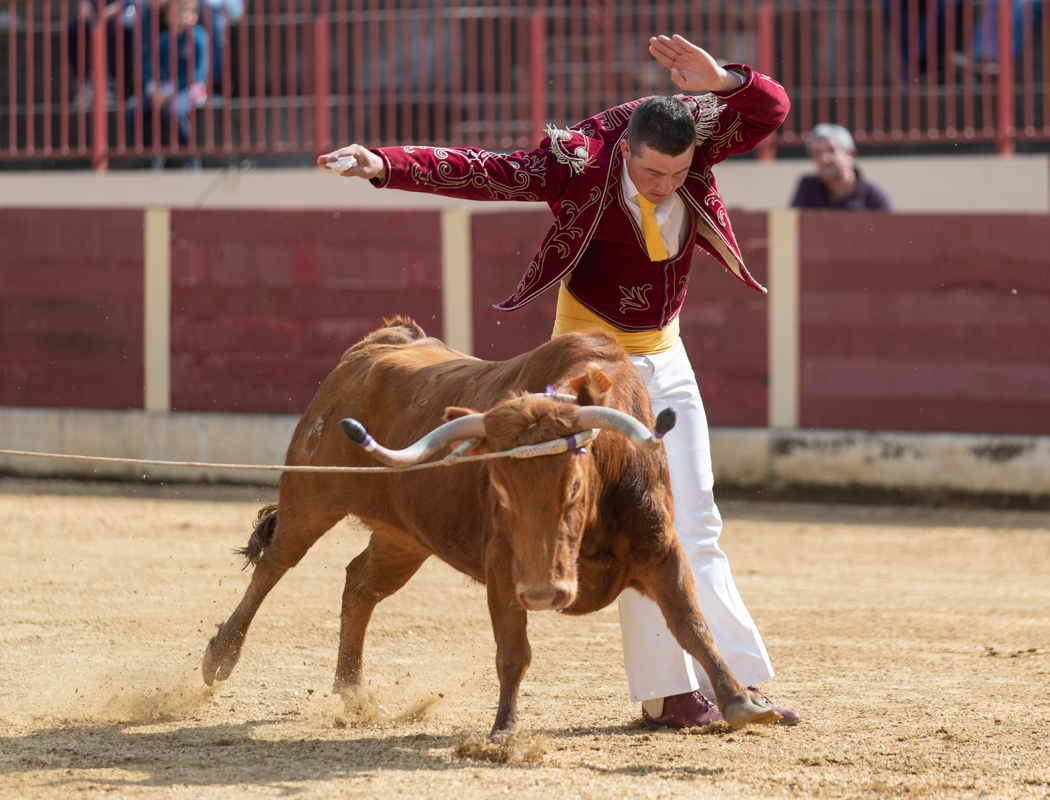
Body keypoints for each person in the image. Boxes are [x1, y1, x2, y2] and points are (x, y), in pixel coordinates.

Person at [317, 34, 800, 730]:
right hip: (589, 374)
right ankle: (669, 695)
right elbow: (484, 169)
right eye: (653, 174)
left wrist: (724, 80)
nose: (666, 185)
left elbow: (771, 110)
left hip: (665, 358)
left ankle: (739, 686)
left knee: (695, 522)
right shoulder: (580, 162)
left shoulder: (694, 140)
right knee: (639, 522)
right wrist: (383, 165)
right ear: (626, 153)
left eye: (679, 172)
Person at [125, 0, 208, 163]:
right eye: (175, 13)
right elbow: (152, 70)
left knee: (173, 112)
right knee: (132, 113)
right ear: (167, 17)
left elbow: (196, 75)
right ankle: (150, 155)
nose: (179, 17)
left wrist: (169, 92)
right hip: (163, 90)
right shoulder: (162, 41)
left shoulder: (199, 38)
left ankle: (190, 157)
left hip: (190, 89)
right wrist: (153, 90)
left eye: (184, 12)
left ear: (194, 16)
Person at [790, 123, 892, 211]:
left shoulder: (874, 199)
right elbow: (789, 228)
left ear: (850, 154)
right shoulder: (808, 188)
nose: (824, 159)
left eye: (831, 150)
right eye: (817, 153)